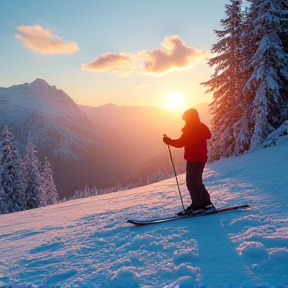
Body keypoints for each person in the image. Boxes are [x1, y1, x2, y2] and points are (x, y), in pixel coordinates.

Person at [163, 108, 214, 215]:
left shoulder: (191, 127)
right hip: (201, 158)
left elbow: (181, 142)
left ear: (189, 117)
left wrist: (169, 141)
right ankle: (206, 204)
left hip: (193, 158)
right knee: (197, 182)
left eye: (186, 118)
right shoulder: (201, 126)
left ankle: (198, 207)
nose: (185, 120)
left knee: (191, 183)